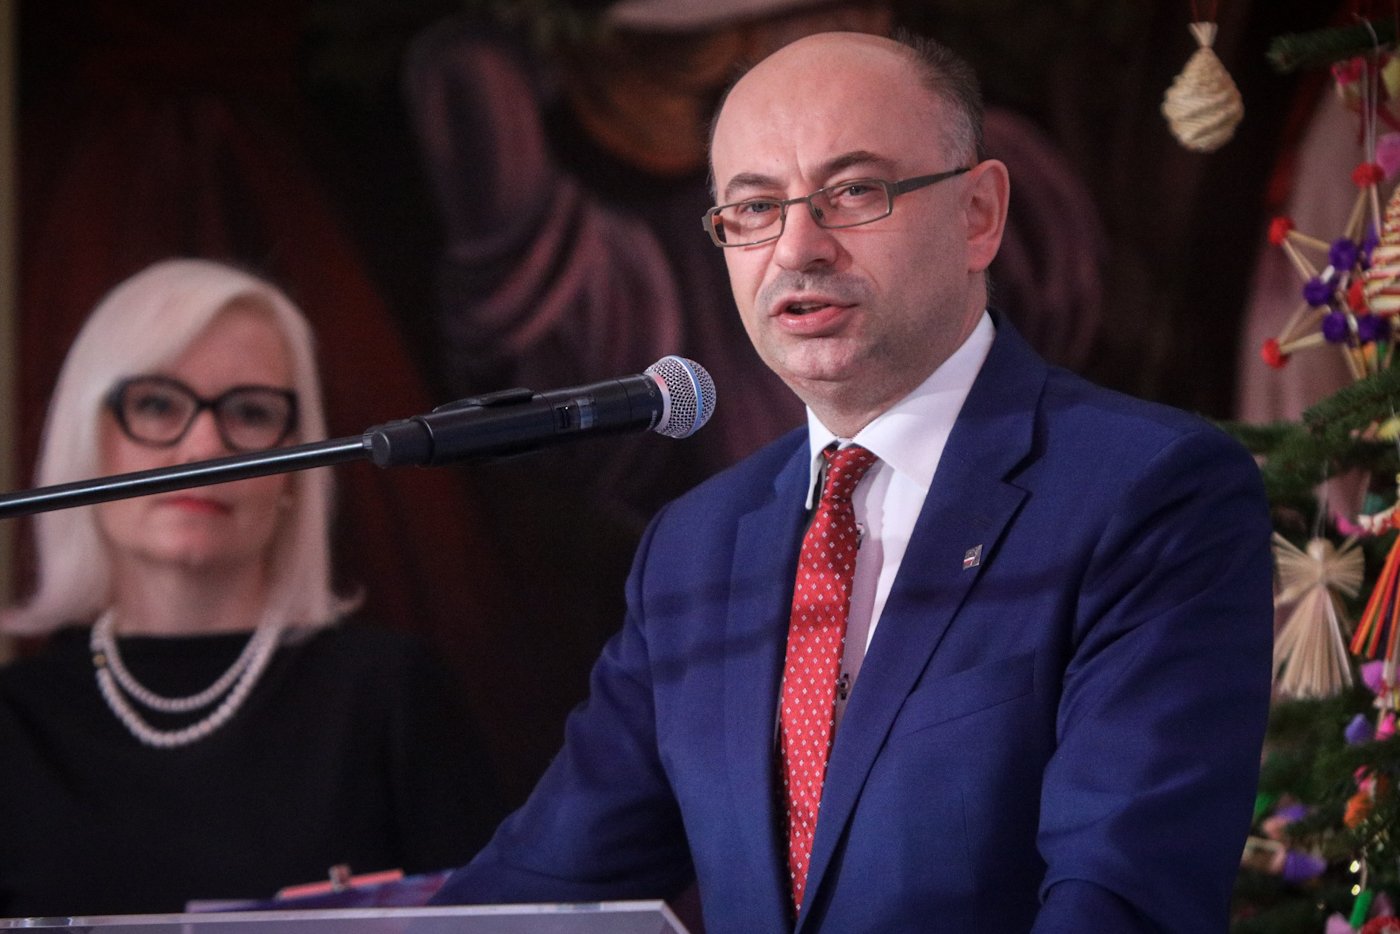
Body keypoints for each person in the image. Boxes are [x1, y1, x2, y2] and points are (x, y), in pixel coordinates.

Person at [429, 31, 1275, 932]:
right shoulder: (693, 547)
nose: (797, 248)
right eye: (754, 208)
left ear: (979, 215)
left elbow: (1121, 899)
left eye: (855, 192)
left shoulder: (1148, 493)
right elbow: (542, 885)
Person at [0, 258, 500, 917]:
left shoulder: (388, 693)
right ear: (88, 442)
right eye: (156, 404)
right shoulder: (16, 718)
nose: (204, 447)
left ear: (295, 471)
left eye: (251, 412)